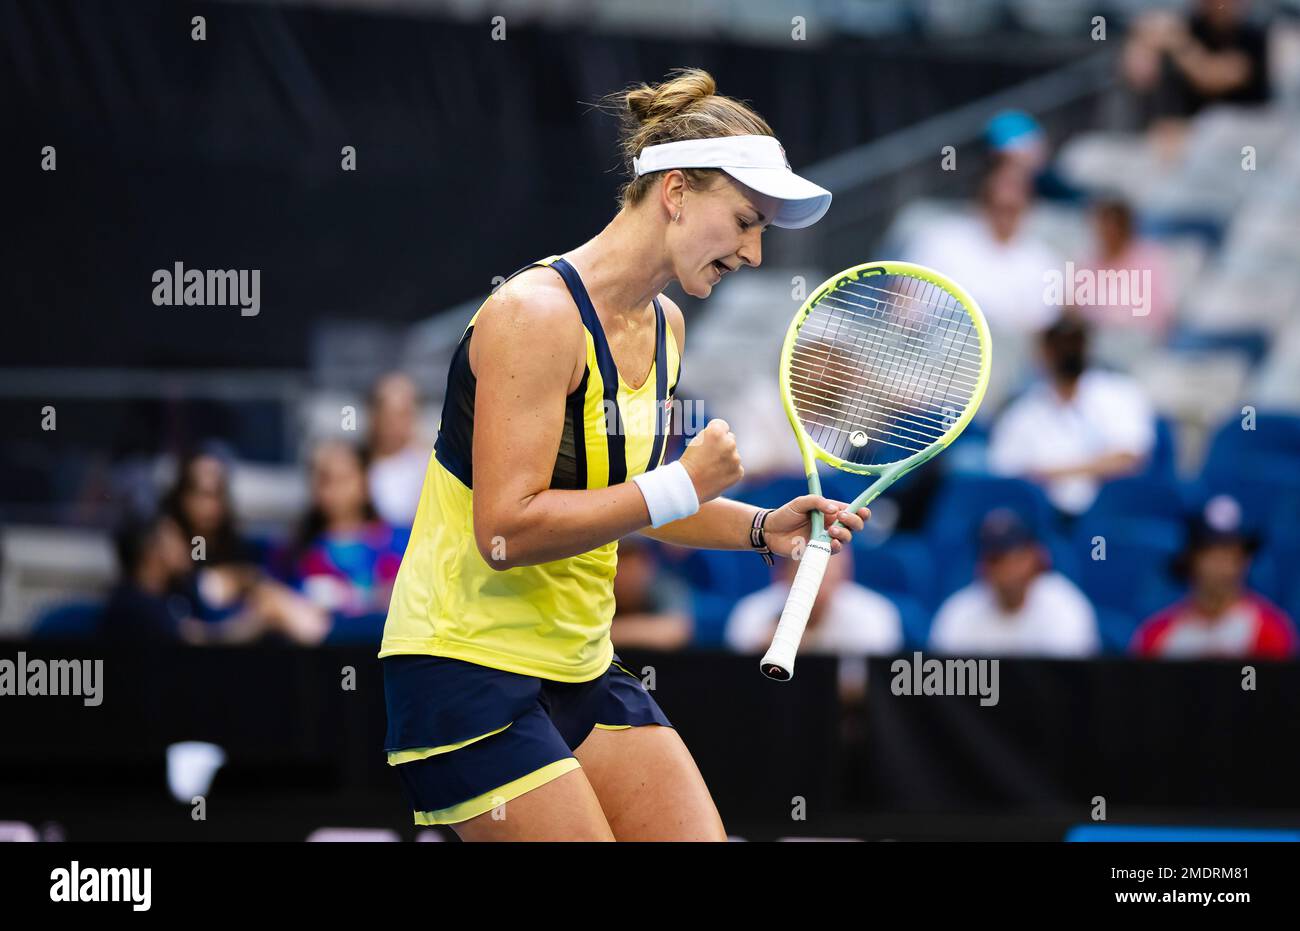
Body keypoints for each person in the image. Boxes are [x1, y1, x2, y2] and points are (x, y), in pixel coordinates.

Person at [379, 68, 871, 841]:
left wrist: (760, 525)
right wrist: (677, 483)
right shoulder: (533, 315)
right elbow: (505, 531)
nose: (752, 250)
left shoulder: (666, 326)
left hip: (580, 665)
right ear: (674, 191)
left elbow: (633, 498)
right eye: (744, 220)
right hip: (465, 668)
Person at [987, 315, 1154, 517]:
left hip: (1110, 514)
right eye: (1058, 344)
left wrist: (1052, 474)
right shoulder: (1021, 411)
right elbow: (1008, 471)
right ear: (1043, 351)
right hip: (1042, 516)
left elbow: (1129, 460)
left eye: (1073, 342)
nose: (1066, 351)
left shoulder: (1119, 393)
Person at [724, 545, 902, 701]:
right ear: (783, 573)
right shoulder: (752, 612)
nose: (817, 585)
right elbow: (738, 682)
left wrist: (806, 645)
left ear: (844, 573)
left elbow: (877, 687)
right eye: (806, 572)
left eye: (827, 574)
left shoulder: (874, 615)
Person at [1131, 495, 1297, 659]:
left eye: (1230, 556)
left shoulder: (1270, 632)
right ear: (1191, 560)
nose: (1221, 567)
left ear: (1245, 562)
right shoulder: (1156, 636)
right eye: (1211, 555)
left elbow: (1273, 685)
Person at [929, 509, 1099, 657]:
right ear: (982, 565)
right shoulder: (959, 611)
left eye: (1017, 557)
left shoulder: (1065, 607)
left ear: (1038, 556)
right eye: (996, 559)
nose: (1008, 568)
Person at [281, 441, 408, 631]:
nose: (335, 491)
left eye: (344, 479)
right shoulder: (294, 552)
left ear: (364, 483)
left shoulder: (398, 542)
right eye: (325, 480)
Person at [366, 372, 430, 529]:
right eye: (387, 413)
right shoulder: (358, 464)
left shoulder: (430, 465)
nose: (393, 423)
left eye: (402, 414)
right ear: (374, 416)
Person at [609, 536, 693, 650]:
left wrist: (607, 632)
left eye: (632, 565)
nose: (625, 574)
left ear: (648, 564)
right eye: (619, 562)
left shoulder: (664, 586)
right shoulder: (597, 590)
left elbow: (677, 630)